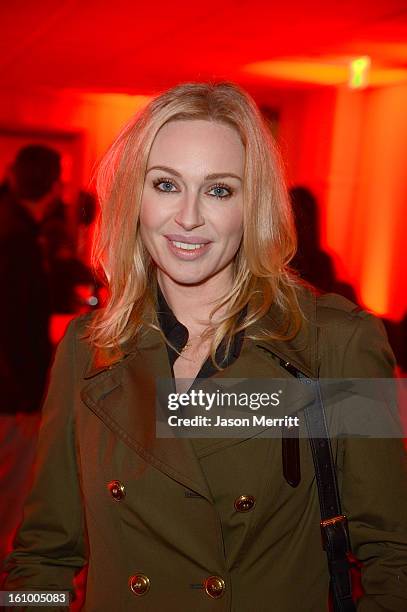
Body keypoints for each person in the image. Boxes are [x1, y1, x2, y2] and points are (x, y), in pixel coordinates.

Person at [3, 83, 407, 611]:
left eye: (219, 190)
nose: (188, 216)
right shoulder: (88, 349)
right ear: (134, 196)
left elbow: (394, 557)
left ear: (253, 204)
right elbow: (41, 558)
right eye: (166, 184)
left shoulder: (335, 343)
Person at [0, 145, 59, 570]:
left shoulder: (21, 226)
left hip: (14, 387)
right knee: (12, 498)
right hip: (11, 391)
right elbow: (16, 319)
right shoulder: (13, 233)